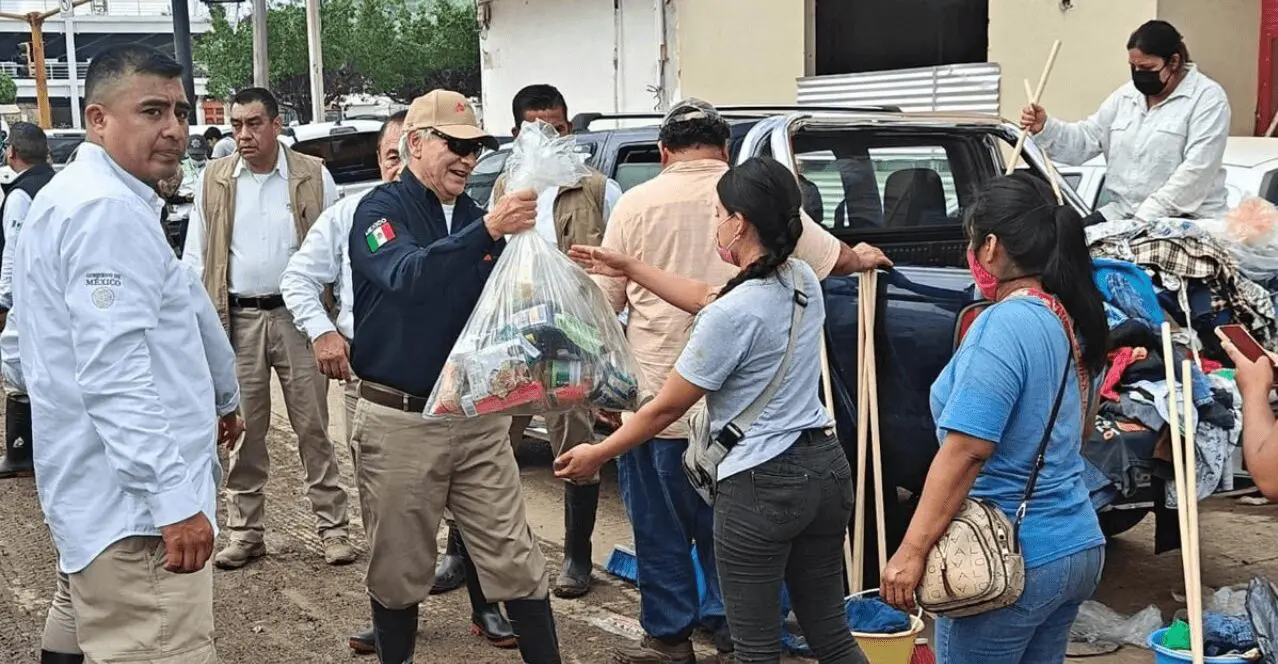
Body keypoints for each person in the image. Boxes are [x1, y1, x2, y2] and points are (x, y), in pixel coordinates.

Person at [572, 97, 889, 663]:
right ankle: (723, 627)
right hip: (822, 466)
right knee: (829, 633)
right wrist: (862, 256)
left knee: (748, 638)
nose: (715, 221)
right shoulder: (798, 280)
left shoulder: (722, 310)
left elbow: (665, 406)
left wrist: (599, 451)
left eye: (721, 216)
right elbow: (720, 290)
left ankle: (673, 642)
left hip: (741, 465)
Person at [11, 43, 242, 664]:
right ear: (97, 119)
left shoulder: (78, 196)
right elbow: (116, 374)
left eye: (181, 111)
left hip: (95, 487)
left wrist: (219, 396)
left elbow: (25, 343)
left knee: (79, 614)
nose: (174, 129)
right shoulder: (105, 210)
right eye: (151, 111)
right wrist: (172, 500)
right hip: (135, 512)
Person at [280, 110, 516, 654]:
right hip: (377, 384)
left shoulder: (461, 216)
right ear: (404, 153)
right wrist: (323, 334)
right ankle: (389, 615)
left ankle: (485, 606)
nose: (395, 168)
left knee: (479, 513)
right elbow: (302, 277)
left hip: (460, 393)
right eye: (389, 157)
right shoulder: (354, 214)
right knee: (390, 514)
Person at [348, 88, 560, 664]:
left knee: (515, 557)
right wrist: (488, 230)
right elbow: (408, 275)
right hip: (401, 419)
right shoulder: (379, 211)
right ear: (415, 144)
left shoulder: (475, 217)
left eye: (476, 148)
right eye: (456, 145)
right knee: (399, 566)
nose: (468, 159)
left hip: (475, 418)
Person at [878, 172, 1108, 663]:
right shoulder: (1061, 316)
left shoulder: (1002, 325)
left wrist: (911, 551)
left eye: (969, 240)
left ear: (989, 247)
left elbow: (966, 451)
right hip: (1074, 542)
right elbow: (1081, 431)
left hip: (1012, 554)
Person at [183, 87, 355, 569]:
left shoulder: (312, 175)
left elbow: (338, 254)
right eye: (236, 125)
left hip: (298, 319)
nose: (243, 135)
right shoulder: (214, 180)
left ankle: (333, 528)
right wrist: (197, 326)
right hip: (237, 319)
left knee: (313, 425)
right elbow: (196, 258)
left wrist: (336, 322)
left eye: (253, 124)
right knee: (243, 429)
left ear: (277, 124)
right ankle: (245, 531)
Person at [494, 83, 624, 600]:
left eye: (558, 128)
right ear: (517, 133)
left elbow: (618, 266)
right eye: (537, 129)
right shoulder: (506, 186)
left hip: (572, 339)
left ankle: (576, 558)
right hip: (512, 338)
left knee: (576, 446)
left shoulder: (595, 188)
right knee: (489, 444)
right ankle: (469, 551)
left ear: (570, 129)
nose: (549, 138)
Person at [1021, 20, 1230, 224]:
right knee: (1064, 246)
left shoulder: (1207, 98)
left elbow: (1197, 170)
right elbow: (1086, 139)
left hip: (1183, 221)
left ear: (1173, 62)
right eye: (1133, 67)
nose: (1139, 74)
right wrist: (1045, 128)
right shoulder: (1125, 96)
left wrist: (1147, 215)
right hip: (1122, 214)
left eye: (1147, 67)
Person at [0, 121, 53, 479]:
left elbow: (13, 253)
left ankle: (21, 454)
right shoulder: (58, 184)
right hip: (53, 296)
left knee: (18, 372)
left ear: (12, 153)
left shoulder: (21, 194)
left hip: (27, 297)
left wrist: (3, 301)